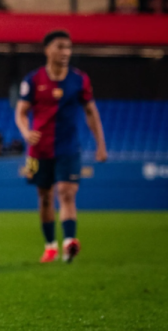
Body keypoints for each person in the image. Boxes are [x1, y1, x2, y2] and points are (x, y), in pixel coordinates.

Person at [15, 30, 107, 264]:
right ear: (47, 50)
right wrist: (26, 132)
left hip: (68, 148)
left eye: (68, 47)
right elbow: (21, 112)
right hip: (38, 151)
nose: (66, 52)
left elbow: (91, 112)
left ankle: (69, 242)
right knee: (44, 197)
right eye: (60, 47)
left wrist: (101, 144)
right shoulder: (33, 80)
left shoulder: (80, 79)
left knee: (67, 192)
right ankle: (50, 247)